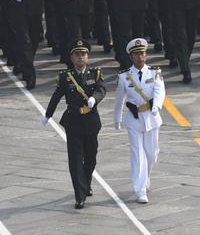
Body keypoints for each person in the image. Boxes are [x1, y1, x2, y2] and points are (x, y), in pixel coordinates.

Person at [43, 39, 106, 209]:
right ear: (71, 57)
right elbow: (57, 96)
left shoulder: (95, 74)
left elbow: (101, 89)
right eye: (77, 54)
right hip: (73, 121)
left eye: (83, 54)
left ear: (88, 57)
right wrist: (48, 114)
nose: (80, 57)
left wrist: (94, 98)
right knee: (75, 160)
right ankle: (79, 195)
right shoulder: (65, 77)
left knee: (91, 157)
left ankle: (86, 182)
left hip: (91, 121)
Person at [112, 38, 165, 204]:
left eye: (142, 53)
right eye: (136, 54)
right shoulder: (124, 77)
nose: (140, 57)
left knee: (152, 153)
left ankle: (146, 177)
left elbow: (160, 92)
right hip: (134, 120)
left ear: (146, 55)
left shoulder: (154, 73)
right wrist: (116, 119)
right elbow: (119, 99)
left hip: (152, 118)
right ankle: (140, 189)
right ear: (131, 57)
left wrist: (156, 106)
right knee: (137, 155)